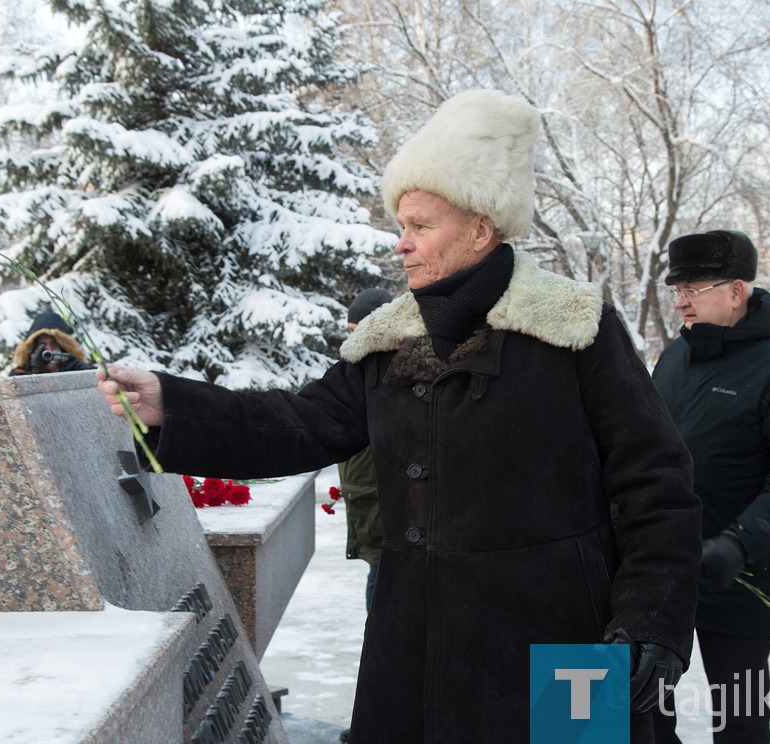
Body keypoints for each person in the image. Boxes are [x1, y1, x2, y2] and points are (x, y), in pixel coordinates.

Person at [98, 89, 702, 744]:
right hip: (415, 651)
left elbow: (658, 486)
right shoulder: (386, 340)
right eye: (401, 224)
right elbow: (297, 424)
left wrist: (650, 619)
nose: (401, 244)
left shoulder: (573, 328)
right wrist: (171, 403)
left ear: (480, 227)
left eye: (420, 225)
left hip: (563, 646)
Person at [651, 229, 770, 743]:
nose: (681, 302)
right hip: (664, 566)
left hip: (742, 572)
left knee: (739, 718)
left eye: (695, 289)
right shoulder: (673, 358)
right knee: (644, 708)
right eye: (676, 289)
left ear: (736, 290)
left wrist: (741, 542)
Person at [336, 288, 391, 744]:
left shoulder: (391, 373)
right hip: (377, 534)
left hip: (391, 534)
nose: (351, 338)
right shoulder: (360, 373)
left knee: (387, 639)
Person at [338, 288, 392, 612]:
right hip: (365, 494)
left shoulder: (385, 369)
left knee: (381, 576)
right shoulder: (353, 368)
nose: (352, 340)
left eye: (358, 332)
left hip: (379, 497)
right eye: (349, 332)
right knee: (378, 573)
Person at [9, 311, 95, 375]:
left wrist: (83, 371)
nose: (50, 349)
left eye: (53, 344)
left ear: (63, 345)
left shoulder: (74, 366)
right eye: (42, 345)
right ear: (33, 347)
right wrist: (37, 373)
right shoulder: (20, 374)